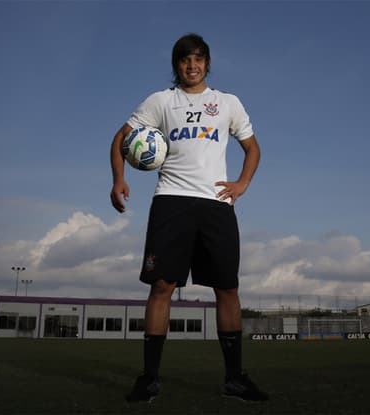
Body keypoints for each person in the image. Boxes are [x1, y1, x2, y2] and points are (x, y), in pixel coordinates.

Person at [109, 33, 267, 403]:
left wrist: (242, 183)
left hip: (215, 205)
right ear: (176, 65)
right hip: (171, 202)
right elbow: (121, 139)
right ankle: (149, 379)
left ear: (207, 64)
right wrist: (119, 179)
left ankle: (235, 379)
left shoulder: (227, 103)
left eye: (198, 59)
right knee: (161, 286)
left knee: (227, 288)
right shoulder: (161, 101)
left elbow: (252, 147)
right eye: (185, 60)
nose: (192, 66)